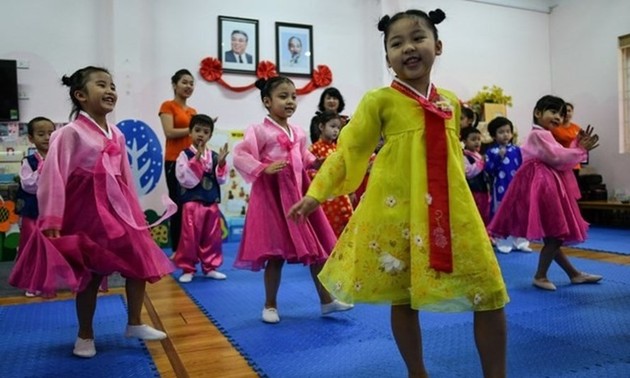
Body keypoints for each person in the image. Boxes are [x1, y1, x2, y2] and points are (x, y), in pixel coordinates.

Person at [288, 9, 507, 378]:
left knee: (491, 293)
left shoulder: (451, 102)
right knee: (404, 297)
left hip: (454, 213)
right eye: (396, 43)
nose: (408, 47)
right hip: (400, 213)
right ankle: (417, 372)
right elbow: (350, 150)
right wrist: (317, 193)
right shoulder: (379, 101)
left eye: (418, 38)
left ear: (437, 46)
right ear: (387, 57)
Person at [9, 66, 175, 358]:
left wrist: (135, 215)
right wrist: (52, 217)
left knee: (140, 263)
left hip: (118, 211)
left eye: (112, 85)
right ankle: (85, 334)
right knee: (91, 275)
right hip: (86, 213)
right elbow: (54, 176)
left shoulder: (118, 134)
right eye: (102, 85)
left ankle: (134, 322)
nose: (111, 90)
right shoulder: (70, 134)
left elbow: (124, 176)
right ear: (81, 96)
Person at [232, 76, 352, 324]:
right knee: (275, 254)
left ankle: (327, 301)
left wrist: (317, 162)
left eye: (293, 97)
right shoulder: (259, 130)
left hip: (298, 196)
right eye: (283, 96)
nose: (290, 101)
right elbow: (241, 155)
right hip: (273, 198)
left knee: (318, 252)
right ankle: (270, 304)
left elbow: (304, 157)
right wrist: (263, 168)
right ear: (267, 101)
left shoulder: (297, 132)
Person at [487, 95, 602, 291]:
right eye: (553, 111)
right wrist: (580, 150)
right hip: (543, 185)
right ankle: (540, 275)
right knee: (555, 234)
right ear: (538, 113)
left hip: (547, 182)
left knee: (552, 236)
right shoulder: (538, 135)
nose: (558, 117)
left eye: (561, 113)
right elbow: (557, 157)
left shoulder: (545, 135)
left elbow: (559, 154)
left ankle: (574, 274)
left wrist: (576, 146)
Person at [173, 114, 230, 283]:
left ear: (210, 136)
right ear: (190, 132)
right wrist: (194, 161)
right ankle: (188, 268)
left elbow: (221, 179)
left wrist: (220, 165)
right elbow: (183, 178)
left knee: (212, 236)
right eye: (197, 130)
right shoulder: (184, 155)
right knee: (189, 237)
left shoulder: (213, 156)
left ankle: (210, 267)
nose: (201, 135)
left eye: (205, 132)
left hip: (211, 202)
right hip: (191, 203)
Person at [14, 116, 55, 297]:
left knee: (54, 246)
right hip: (34, 211)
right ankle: (33, 282)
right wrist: (43, 172)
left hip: (54, 211)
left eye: (51, 133)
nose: (47, 137)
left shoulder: (60, 157)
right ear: (31, 138)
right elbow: (28, 185)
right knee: (33, 248)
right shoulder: (28, 161)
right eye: (41, 134)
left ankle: (54, 280)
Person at [159, 69, 197, 252]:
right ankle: (177, 250)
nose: (188, 86)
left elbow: (195, 139)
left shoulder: (193, 111)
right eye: (184, 82)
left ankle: (190, 247)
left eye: (191, 83)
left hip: (191, 163)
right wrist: (194, 129)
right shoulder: (168, 106)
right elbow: (169, 132)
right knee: (178, 204)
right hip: (174, 161)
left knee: (192, 206)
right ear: (174, 85)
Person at [484, 116, 532, 253]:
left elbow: (523, 167)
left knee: (519, 213)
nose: (505, 135)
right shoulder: (491, 152)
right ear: (493, 135)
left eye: (508, 131)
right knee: (502, 213)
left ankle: (521, 241)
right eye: (501, 132)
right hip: (500, 187)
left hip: (517, 188)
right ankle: (503, 241)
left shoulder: (517, 150)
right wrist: (499, 157)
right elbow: (489, 170)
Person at [307, 110, 353, 236]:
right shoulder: (314, 149)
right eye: (332, 126)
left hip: (341, 196)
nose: (336, 131)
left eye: (338, 128)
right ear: (321, 127)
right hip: (324, 198)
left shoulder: (338, 149)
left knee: (346, 225)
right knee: (327, 228)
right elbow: (308, 171)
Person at [461, 127, 491, 225]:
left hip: (483, 189)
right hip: (474, 191)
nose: (477, 142)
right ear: (464, 141)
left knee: (486, 212)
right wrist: (481, 162)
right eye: (473, 139)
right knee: (478, 213)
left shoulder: (478, 155)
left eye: (479, 139)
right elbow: (468, 173)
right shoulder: (464, 156)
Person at [550, 102, 583, 179]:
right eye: (565, 111)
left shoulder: (577, 128)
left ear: (572, 112)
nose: (567, 113)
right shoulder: (554, 127)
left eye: (569, 111)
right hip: (559, 164)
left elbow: (581, 145)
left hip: (574, 165)